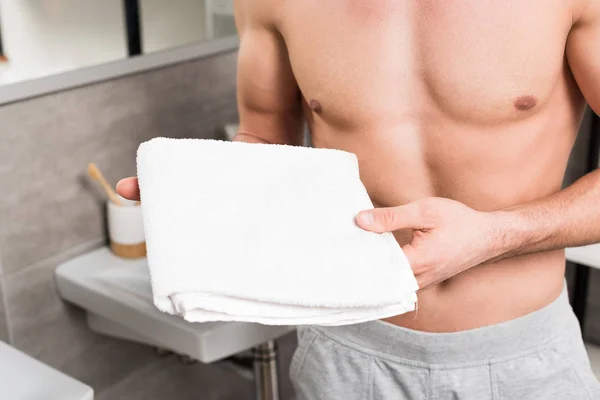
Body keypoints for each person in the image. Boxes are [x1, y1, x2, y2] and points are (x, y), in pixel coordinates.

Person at [117, 0, 600, 398]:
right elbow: (263, 139)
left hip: (523, 360)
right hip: (345, 355)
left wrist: (496, 235)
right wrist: (202, 190)